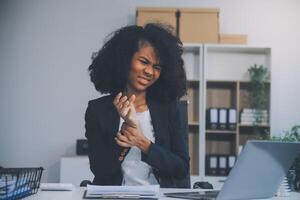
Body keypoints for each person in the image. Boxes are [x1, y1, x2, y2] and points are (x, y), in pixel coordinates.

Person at [85, 23, 189, 188]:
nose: (149, 71)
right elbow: (100, 170)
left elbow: (181, 168)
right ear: (125, 60)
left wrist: (143, 143)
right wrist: (128, 129)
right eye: (144, 62)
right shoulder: (98, 110)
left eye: (156, 67)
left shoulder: (169, 109)